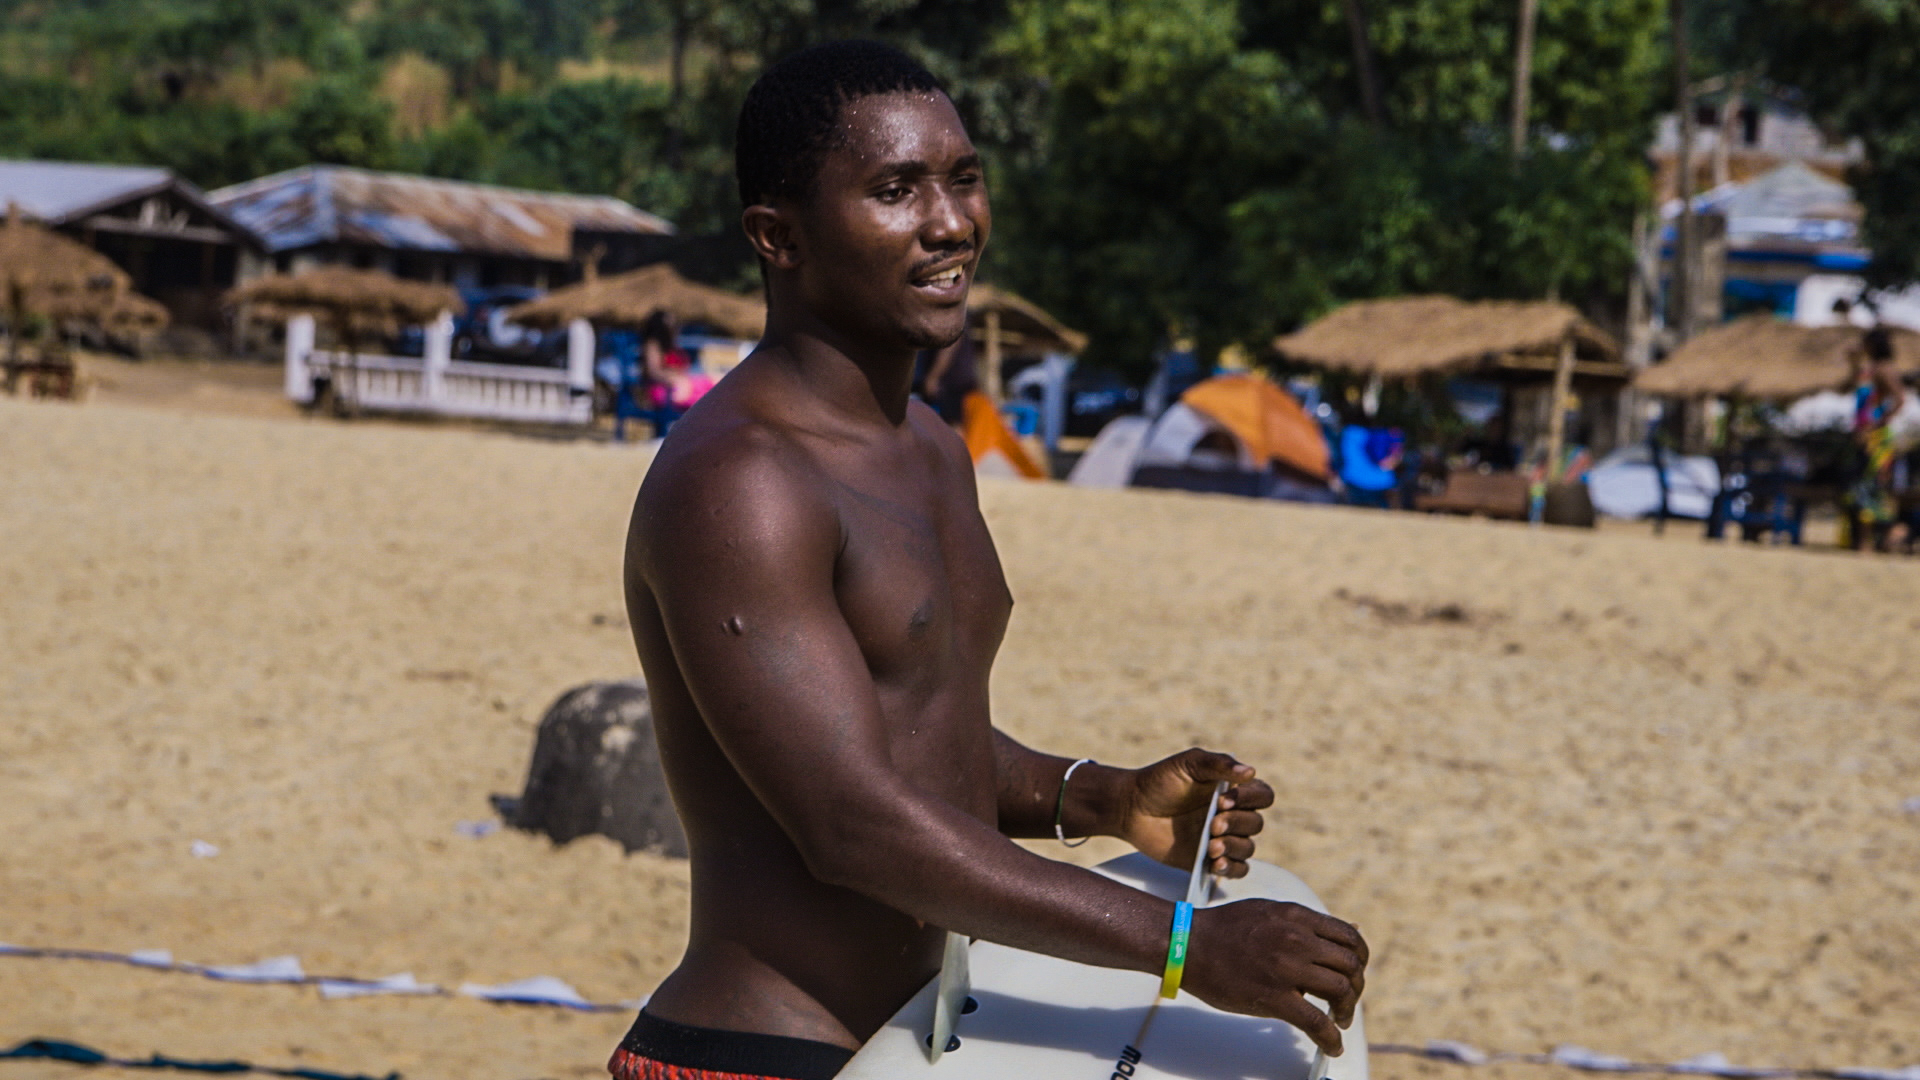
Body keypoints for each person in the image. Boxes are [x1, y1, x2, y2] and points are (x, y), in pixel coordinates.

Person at [616, 41, 1368, 1080]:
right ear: (777, 236)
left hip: (937, 1034)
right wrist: (1183, 948)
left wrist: (1099, 798)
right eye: (895, 190)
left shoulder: (928, 445)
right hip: (766, 1056)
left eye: (963, 178)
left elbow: (912, 728)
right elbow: (851, 823)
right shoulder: (741, 483)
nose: (951, 222)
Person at [1845, 326, 1906, 551]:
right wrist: (1853, 362)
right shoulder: (1870, 369)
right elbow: (1856, 387)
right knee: (1862, 488)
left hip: (1877, 441)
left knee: (1870, 488)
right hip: (1866, 438)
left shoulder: (1884, 370)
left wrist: (1878, 424)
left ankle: (1892, 533)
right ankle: (1866, 541)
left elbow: (1900, 398)